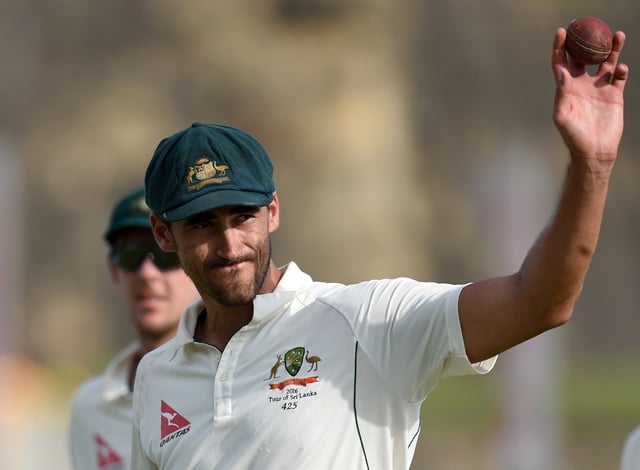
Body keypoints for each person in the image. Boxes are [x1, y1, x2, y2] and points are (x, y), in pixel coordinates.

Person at [130, 26, 629, 469]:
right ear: (162, 232)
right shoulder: (157, 375)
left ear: (273, 212)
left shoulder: (366, 321)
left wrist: (592, 166)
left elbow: (538, 302)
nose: (228, 243)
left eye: (243, 217)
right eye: (202, 224)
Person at [68, 187, 200, 470]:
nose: (147, 274)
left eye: (165, 254)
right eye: (131, 254)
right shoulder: (89, 406)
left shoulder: (229, 384)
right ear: (113, 269)